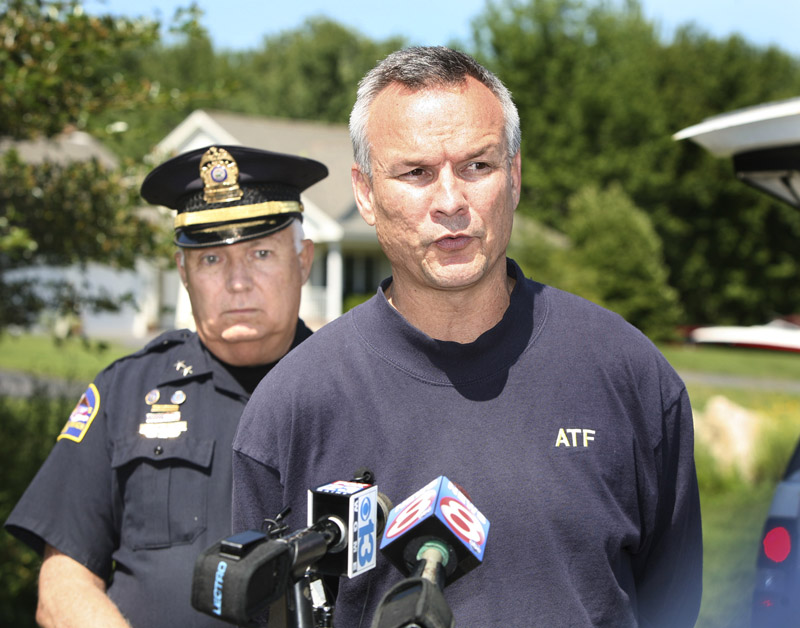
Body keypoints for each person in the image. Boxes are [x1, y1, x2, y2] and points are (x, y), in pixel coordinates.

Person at [231, 47, 702, 627]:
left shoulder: (628, 375)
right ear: (365, 192)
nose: (451, 201)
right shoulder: (293, 405)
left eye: (477, 166)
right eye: (416, 173)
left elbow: (674, 607)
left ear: (516, 176)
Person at [5, 145, 327, 627]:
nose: (238, 282)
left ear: (303, 260)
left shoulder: (351, 389)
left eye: (261, 253)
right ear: (183, 273)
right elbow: (63, 583)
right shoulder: (127, 391)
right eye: (211, 260)